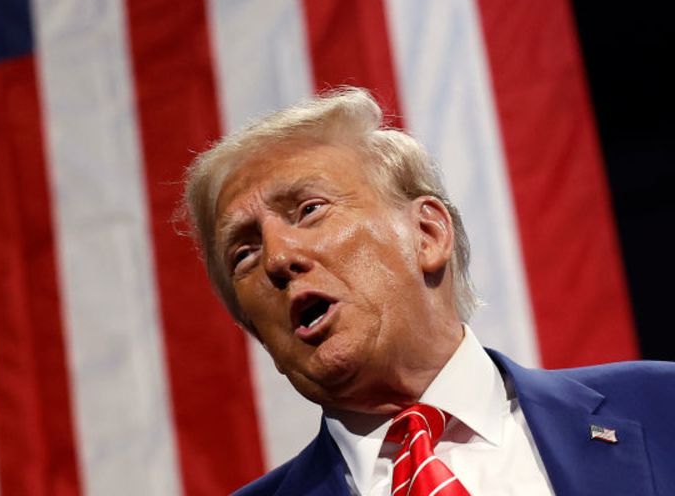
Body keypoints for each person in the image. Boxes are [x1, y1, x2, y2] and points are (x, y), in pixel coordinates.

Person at [182, 86, 674, 496]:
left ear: (428, 235)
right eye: (243, 254)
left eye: (309, 210)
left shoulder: (659, 405)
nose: (277, 259)